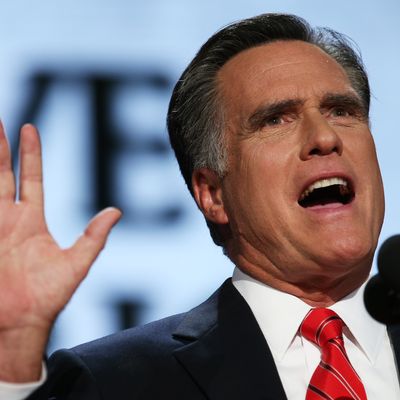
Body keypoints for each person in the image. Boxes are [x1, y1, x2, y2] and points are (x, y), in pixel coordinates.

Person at [0, 13, 398, 400]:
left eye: (342, 112)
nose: (325, 137)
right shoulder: (116, 381)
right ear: (213, 195)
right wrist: (12, 369)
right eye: (276, 120)